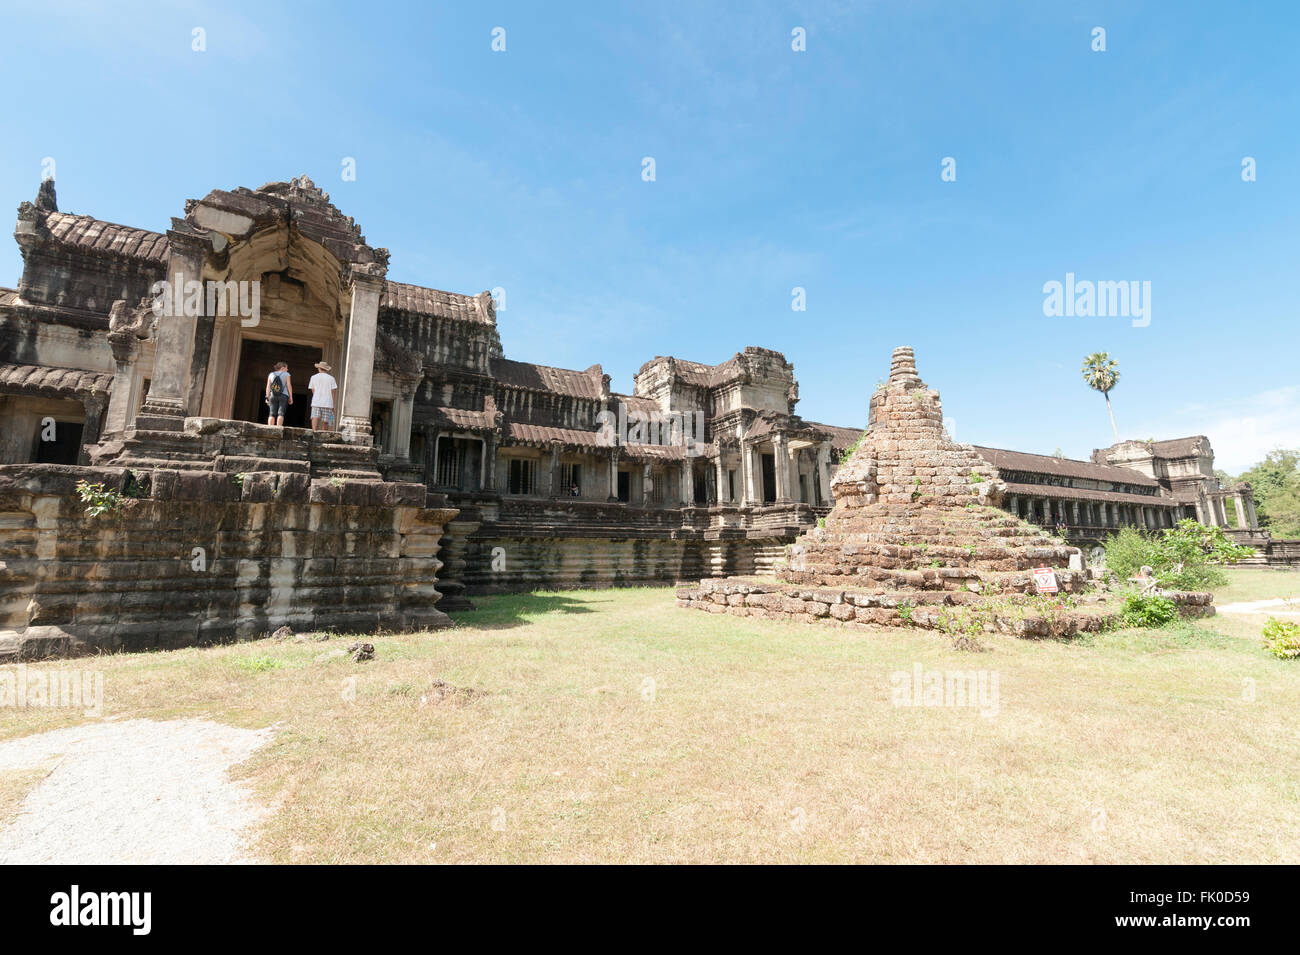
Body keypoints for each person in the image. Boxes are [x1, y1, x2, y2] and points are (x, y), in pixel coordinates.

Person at [308, 360, 338, 431]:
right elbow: (333, 392)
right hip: (328, 402)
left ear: (319, 368)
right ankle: (324, 433)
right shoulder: (331, 378)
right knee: (326, 420)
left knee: (315, 417)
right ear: (326, 369)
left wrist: (317, 396)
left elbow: (313, 390)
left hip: (316, 401)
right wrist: (333, 404)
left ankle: (314, 431)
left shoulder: (313, 377)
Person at [265, 361, 292, 426]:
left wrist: (267, 397)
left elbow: (268, 386)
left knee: (271, 413)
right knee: (281, 413)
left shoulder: (271, 374)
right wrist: (291, 396)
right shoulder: (287, 374)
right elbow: (289, 385)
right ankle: (278, 428)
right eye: (286, 368)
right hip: (284, 395)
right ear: (283, 368)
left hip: (273, 395)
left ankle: (270, 428)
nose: (287, 369)